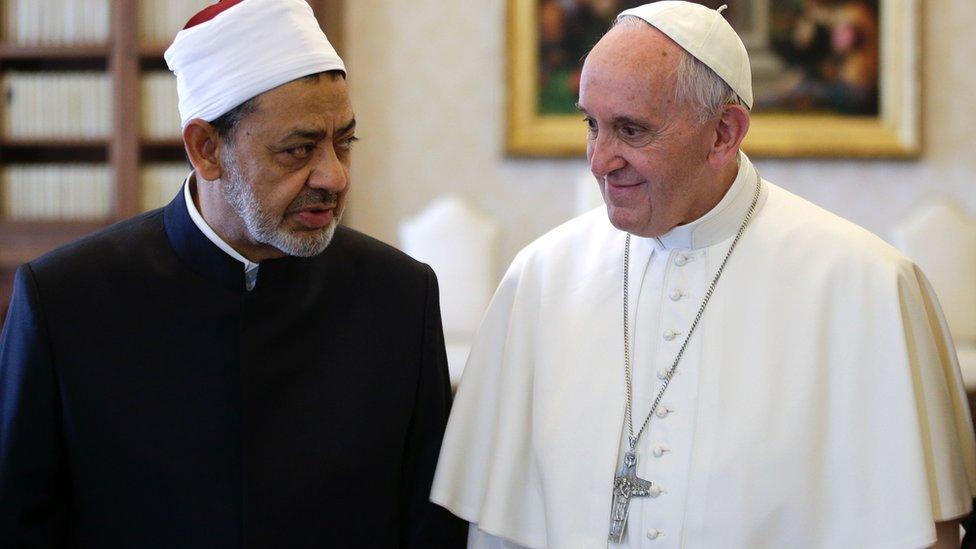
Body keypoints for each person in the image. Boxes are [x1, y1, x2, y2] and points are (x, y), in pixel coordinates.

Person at [431, 2, 975, 547]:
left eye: (631, 130)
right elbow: (494, 528)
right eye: (591, 124)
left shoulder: (868, 286)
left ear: (723, 132)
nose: (598, 160)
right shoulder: (541, 278)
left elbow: (920, 533)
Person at [0, 0, 466, 546]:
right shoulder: (65, 301)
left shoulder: (398, 298)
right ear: (206, 150)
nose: (335, 177)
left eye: (345, 142)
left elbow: (431, 528)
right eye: (299, 150)